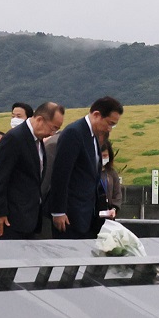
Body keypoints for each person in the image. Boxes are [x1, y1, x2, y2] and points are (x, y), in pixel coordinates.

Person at [0, 102, 66, 239]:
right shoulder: (14, 138)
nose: (53, 133)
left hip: (30, 219)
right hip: (11, 220)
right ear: (40, 120)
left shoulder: (37, 140)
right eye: (53, 128)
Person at [48, 97, 122, 239]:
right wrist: (58, 211)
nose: (109, 129)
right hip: (70, 216)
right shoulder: (74, 133)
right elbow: (60, 175)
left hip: (87, 216)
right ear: (96, 115)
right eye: (109, 123)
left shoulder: (93, 137)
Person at [98, 140, 123, 219]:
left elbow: (117, 194)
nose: (103, 159)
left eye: (105, 156)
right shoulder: (89, 172)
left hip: (108, 215)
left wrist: (114, 208)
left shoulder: (112, 173)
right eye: (100, 156)